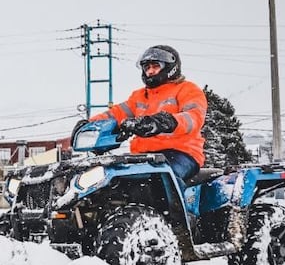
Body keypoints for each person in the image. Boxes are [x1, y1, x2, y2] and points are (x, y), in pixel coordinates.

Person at [82, 45, 207, 181]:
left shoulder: (187, 89)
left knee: (156, 180)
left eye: (155, 66)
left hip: (181, 153)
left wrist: (164, 121)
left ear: (171, 67)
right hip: (143, 155)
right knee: (114, 180)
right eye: (147, 68)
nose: (151, 71)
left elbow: (194, 117)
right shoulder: (139, 96)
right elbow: (115, 114)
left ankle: (169, 203)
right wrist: (89, 124)